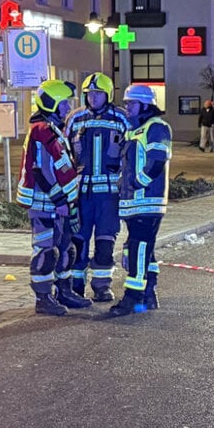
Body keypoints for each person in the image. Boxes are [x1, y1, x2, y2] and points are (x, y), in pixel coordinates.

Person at [16, 79, 92, 316]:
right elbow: (41, 171)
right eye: (64, 104)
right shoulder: (41, 131)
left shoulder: (52, 128)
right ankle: (43, 297)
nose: (68, 108)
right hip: (46, 205)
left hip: (58, 205)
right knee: (46, 251)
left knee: (65, 249)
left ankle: (64, 291)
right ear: (52, 105)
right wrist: (60, 201)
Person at [64, 73, 131, 302]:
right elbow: (65, 153)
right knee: (78, 241)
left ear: (108, 95)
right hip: (81, 195)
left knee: (105, 241)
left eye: (98, 93)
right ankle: (76, 286)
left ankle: (102, 286)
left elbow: (129, 154)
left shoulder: (121, 119)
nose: (93, 98)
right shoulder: (75, 118)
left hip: (109, 195)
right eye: (89, 93)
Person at [110, 84, 173, 316]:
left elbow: (157, 161)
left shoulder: (156, 128)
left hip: (147, 201)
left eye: (132, 104)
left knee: (138, 247)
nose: (128, 108)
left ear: (146, 105)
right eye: (127, 103)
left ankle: (133, 297)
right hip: (134, 203)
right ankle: (149, 293)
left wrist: (137, 183)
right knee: (146, 249)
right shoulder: (136, 130)